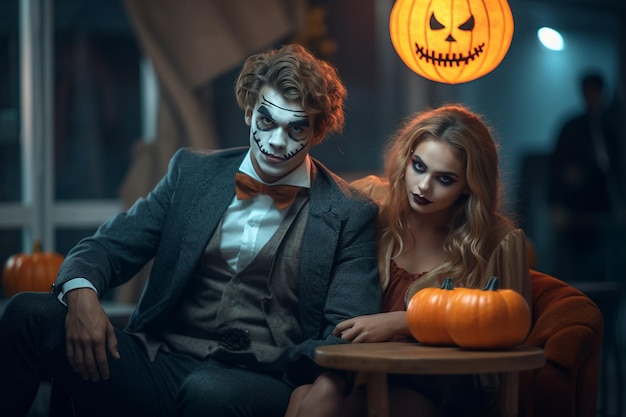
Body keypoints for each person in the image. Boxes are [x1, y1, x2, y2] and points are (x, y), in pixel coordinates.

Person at [0, 44, 382, 417]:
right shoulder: (192, 173)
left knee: (209, 390)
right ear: (249, 113)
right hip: (161, 365)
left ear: (316, 133)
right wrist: (81, 292)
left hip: (264, 379)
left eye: (296, 128)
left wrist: (286, 360)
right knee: (27, 313)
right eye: (267, 121)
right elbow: (110, 246)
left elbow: (345, 332)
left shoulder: (349, 212)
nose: (278, 141)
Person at [284, 104, 532, 417]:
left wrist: (404, 321)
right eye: (419, 166)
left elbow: (511, 327)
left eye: (445, 179)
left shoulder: (499, 240)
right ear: (407, 158)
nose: (424, 186)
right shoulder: (371, 201)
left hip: (438, 386)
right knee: (306, 394)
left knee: (322, 398)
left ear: (470, 184)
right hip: (361, 370)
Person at [548, 72, 622, 282]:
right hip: (578, 208)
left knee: (609, 265)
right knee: (580, 267)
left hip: (606, 206)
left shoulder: (611, 126)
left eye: (595, 92)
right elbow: (558, 167)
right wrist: (556, 204)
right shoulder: (573, 127)